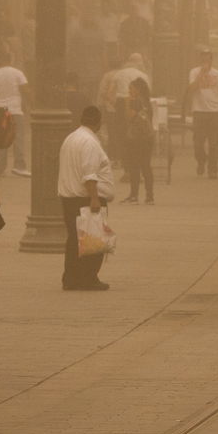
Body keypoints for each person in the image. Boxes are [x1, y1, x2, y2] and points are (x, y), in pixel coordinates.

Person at [58, 106, 114, 291]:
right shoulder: (89, 142)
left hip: (70, 199)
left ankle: (71, 277)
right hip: (86, 199)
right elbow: (89, 174)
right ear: (98, 123)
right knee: (93, 241)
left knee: (75, 240)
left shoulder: (71, 137)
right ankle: (88, 277)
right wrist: (95, 199)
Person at [186, 46, 218, 179]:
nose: (205, 59)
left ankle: (213, 170)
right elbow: (191, 89)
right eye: (203, 57)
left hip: (214, 112)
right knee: (198, 143)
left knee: (214, 143)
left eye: (208, 57)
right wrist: (202, 74)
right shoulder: (194, 72)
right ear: (200, 59)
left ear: (211, 59)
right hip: (199, 112)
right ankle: (201, 160)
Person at [0, 48, 31, 177]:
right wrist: (29, 105)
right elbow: (25, 90)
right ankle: (19, 166)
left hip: (0, 110)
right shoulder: (18, 73)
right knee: (18, 137)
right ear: (10, 60)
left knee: (2, 137)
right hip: (15, 110)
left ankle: (0, 167)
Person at [122, 77, 155, 204]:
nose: (129, 91)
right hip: (147, 138)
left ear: (137, 89)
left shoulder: (135, 102)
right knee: (146, 166)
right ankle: (149, 196)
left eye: (130, 89)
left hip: (136, 139)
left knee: (134, 166)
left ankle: (134, 195)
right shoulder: (147, 102)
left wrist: (127, 102)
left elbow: (129, 117)